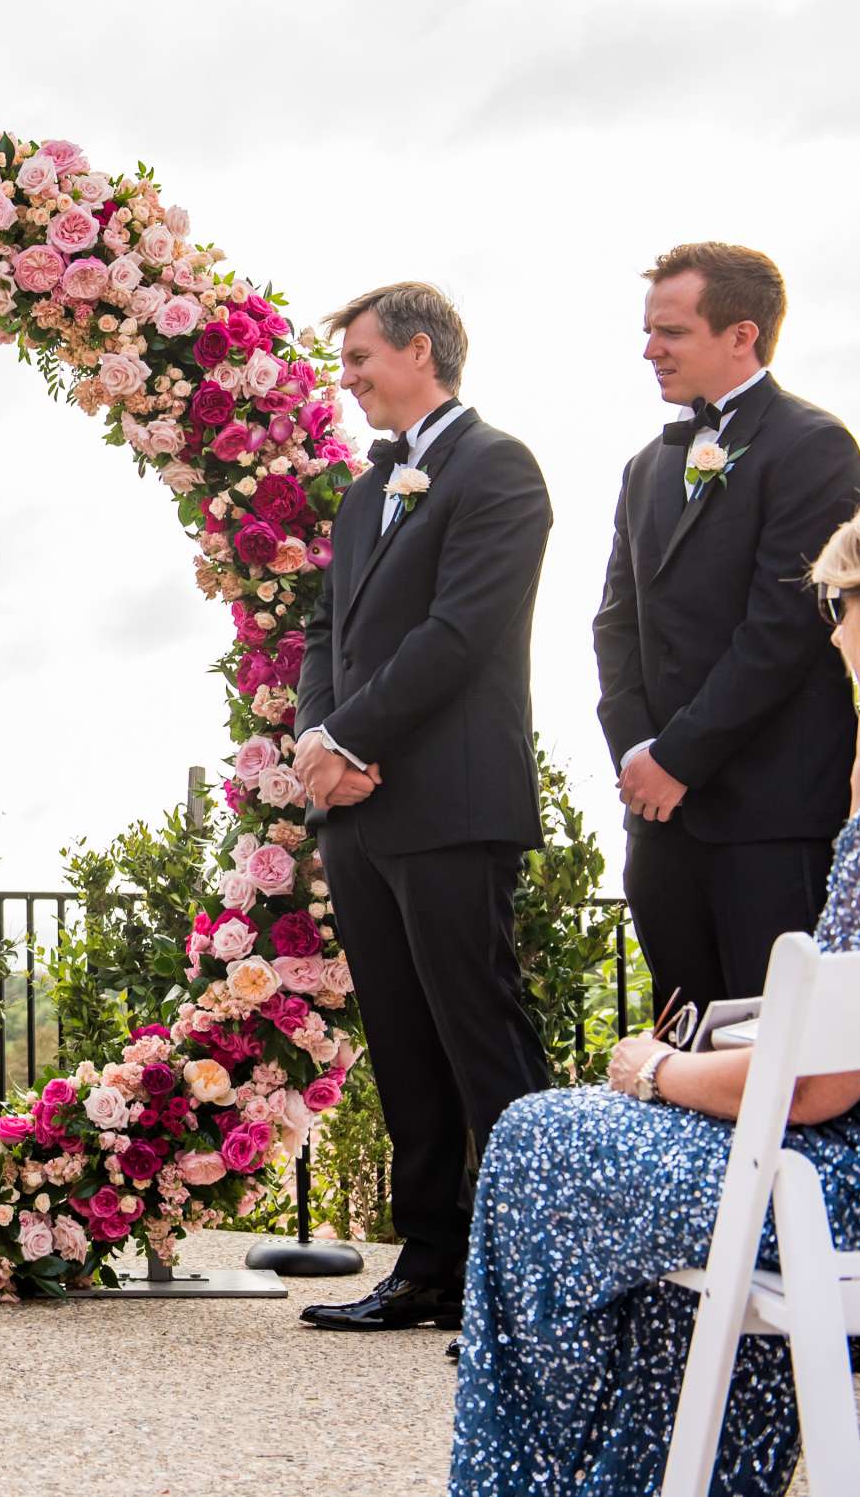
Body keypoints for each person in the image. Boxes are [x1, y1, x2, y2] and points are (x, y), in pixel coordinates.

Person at [449, 497, 860, 1496]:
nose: (831, 631)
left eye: (836, 607)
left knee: (538, 1138)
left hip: (845, 1194)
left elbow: (818, 1088)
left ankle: (538, 1476)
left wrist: (658, 1068)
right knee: (649, 1192)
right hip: (849, 1177)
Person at [290, 282, 553, 1336]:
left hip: (451, 800)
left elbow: (460, 633)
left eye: (358, 357)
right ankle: (430, 1268)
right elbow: (322, 633)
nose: (346, 377)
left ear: (418, 348)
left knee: (480, 1037)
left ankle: (531, 1279)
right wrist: (317, 741)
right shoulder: (364, 496)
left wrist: (354, 738)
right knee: (402, 1043)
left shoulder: (499, 470)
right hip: (358, 815)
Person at [593, 242, 860, 1014]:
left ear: (741, 335)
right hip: (660, 825)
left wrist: (680, 756)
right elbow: (616, 623)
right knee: (681, 1048)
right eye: (649, 331)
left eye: (672, 332)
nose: (650, 350)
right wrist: (637, 756)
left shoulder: (814, 446)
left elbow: (782, 631)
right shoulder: (645, 466)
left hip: (771, 822)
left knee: (774, 1052)